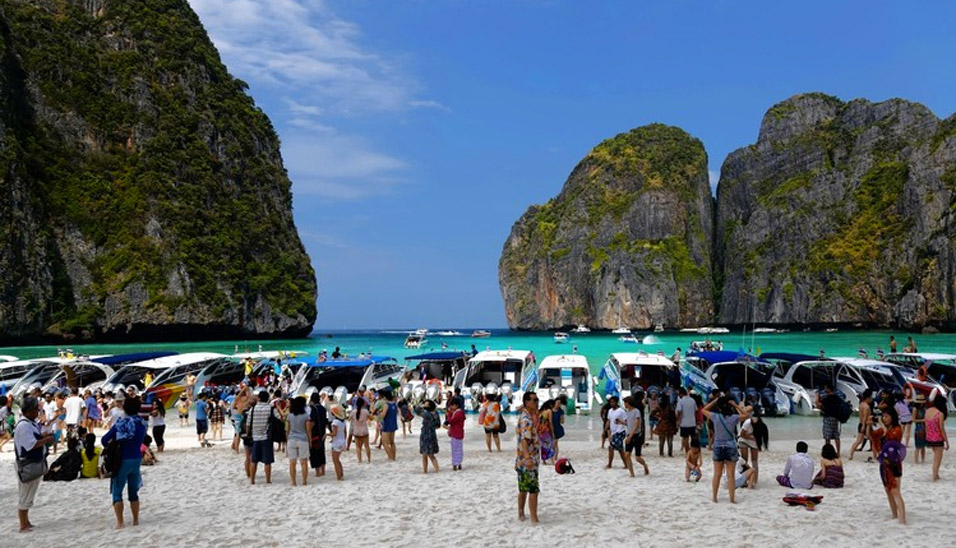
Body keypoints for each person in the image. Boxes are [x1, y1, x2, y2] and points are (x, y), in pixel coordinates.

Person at [101, 397, 147, 529]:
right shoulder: (142, 424)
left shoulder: (122, 423)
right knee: (133, 491)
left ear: (125, 408)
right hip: (137, 458)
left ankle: (120, 522)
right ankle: (136, 520)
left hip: (122, 459)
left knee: (117, 491)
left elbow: (105, 440)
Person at [14, 397, 54, 532]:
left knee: (29, 493)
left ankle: (26, 521)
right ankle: (23, 525)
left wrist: (43, 435)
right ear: (30, 411)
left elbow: (32, 438)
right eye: (36, 409)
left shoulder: (28, 423)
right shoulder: (24, 425)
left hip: (32, 462)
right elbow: (30, 445)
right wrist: (46, 440)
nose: (38, 412)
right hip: (27, 464)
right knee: (25, 494)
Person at [701, 395, 750, 503]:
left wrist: (715, 401)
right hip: (730, 446)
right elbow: (746, 415)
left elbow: (703, 409)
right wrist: (735, 405)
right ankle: (732, 499)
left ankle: (714, 497)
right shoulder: (733, 418)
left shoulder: (715, 416)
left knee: (717, 474)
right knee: (731, 475)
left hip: (718, 446)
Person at [515, 391, 540, 524]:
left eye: (537, 400)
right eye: (534, 400)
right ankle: (534, 518)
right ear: (527, 402)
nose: (537, 402)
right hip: (528, 460)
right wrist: (528, 458)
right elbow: (525, 440)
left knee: (523, 488)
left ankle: (521, 512)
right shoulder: (526, 420)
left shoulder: (526, 416)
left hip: (521, 460)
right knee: (533, 489)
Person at [247, 390, 277, 485]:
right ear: (267, 398)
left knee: (253, 460)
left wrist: (248, 434)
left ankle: (252, 480)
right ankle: (268, 479)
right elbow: (279, 417)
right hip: (266, 437)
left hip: (255, 437)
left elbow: (248, 424)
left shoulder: (253, 409)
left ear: (259, 398)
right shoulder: (270, 408)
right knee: (267, 461)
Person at [285, 396, 312, 486]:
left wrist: (287, 440)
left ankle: (293, 481)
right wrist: (310, 441)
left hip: (292, 439)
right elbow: (308, 430)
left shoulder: (290, 415)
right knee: (304, 462)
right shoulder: (305, 416)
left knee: (292, 462)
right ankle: (304, 481)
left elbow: (287, 430)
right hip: (303, 439)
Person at [879, 440, 907, 525]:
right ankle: (897, 516)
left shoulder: (887, 431)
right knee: (893, 492)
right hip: (895, 462)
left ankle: (901, 519)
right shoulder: (896, 431)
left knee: (894, 493)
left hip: (888, 464)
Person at [922, 394, 949, 481]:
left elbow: (926, 426)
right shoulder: (940, 414)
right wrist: (947, 441)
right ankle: (934, 476)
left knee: (936, 458)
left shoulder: (928, 411)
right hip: (938, 439)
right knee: (937, 459)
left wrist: (926, 436)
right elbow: (941, 428)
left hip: (929, 438)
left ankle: (936, 474)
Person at [738, 411, 767, 485]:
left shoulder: (761, 425)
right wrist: (751, 437)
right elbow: (741, 434)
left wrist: (757, 443)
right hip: (744, 440)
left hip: (754, 441)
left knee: (755, 461)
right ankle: (743, 478)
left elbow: (762, 438)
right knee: (744, 460)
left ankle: (754, 480)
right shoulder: (747, 422)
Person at [623, 395, 650, 476]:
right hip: (629, 435)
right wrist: (621, 422)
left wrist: (630, 436)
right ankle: (632, 473)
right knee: (627, 455)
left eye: (625, 403)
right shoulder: (627, 412)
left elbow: (636, 425)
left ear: (628, 403)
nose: (624, 404)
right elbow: (628, 424)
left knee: (637, 457)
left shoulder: (636, 411)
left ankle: (645, 465)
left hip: (636, 436)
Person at [415, 399, 441, 473]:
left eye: (426, 403)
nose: (424, 404)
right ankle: (437, 470)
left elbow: (417, 410)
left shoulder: (426, 414)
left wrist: (422, 406)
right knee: (431, 455)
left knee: (425, 455)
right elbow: (438, 425)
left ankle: (425, 471)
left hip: (425, 434)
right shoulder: (436, 413)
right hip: (432, 434)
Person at [818, 384, 842, 456]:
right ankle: (838, 452)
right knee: (836, 436)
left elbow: (819, 405)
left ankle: (828, 452)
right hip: (835, 418)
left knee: (827, 436)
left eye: (825, 388)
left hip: (828, 417)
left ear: (829, 389)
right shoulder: (837, 398)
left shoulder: (827, 398)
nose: (825, 390)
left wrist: (817, 397)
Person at [848, 389, 873, 460]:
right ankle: (875, 455)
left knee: (858, 441)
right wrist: (864, 426)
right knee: (873, 440)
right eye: (871, 397)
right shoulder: (866, 407)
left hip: (861, 424)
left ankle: (851, 454)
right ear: (868, 398)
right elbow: (865, 417)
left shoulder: (861, 404)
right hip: (865, 425)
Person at [308, 392, 328, 478]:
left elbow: (312, 421)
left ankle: (318, 471)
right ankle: (323, 470)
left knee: (314, 452)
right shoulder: (323, 408)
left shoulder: (313, 409)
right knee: (321, 450)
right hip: (322, 432)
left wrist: (308, 430)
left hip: (315, 433)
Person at [605, 396, 628, 470]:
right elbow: (608, 421)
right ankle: (624, 464)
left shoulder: (621, 411)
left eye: (613, 402)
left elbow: (627, 422)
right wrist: (607, 430)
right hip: (613, 433)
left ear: (616, 402)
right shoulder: (610, 411)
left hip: (620, 432)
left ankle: (610, 464)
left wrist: (620, 422)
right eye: (611, 402)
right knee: (618, 449)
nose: (612, 404)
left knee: (614, 448)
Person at [675, 388, 697, 455]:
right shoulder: (692, 400)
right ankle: (694, 451)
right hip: (692, 422)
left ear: (681, 394)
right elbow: (696, 410)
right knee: (693, 438)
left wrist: (678, 421)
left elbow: (679, 411)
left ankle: (687, 452)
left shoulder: (681, 401)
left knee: (685, 438)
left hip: (684, 423)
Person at [349, 397, 371, 463]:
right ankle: (369, 459)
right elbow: (371, 418)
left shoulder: (353, 412)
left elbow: (349, 419)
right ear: (363, 404)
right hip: (364, 430)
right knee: (366, 446)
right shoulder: (366, 411)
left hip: (356, 431)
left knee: (358, 447)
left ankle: (359, 460)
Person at [446, 398, 465, 470]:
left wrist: (448, 414)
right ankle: (459, 463)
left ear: (456, 405)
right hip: (459, 432)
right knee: (459, 449)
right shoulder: (460, 412)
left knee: (455, 449)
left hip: (455, 433)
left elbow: (451, 421)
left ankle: (455, 464)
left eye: (452, 405)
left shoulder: (458, 413)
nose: (451, 407)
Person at [328, 404, 347, 481]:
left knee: (335, 461)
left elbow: (334, 433)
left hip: (336, 443)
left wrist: (327, 434)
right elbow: (345, 433)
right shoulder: (343, 422)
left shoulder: (335, 422)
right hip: (342, 441)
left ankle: (339, 476)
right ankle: (341, 474)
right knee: (337, 460)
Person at [381, 390, 399, 461]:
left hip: (387, 424)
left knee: (384, 442)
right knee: (392, 442)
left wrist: (379, 415)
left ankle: (390, 457)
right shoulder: (394, 404)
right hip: (393, 424)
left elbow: (383, 415)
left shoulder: (386, 405)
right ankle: (394, 457)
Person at [538, 400, 556, 464]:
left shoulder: (541, 411)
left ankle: (544, 461)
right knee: (551, 445)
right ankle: (552, 461)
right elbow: (550, 422)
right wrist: (553, 432)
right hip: (546, 430)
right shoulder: (549, 411)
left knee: (543, 446)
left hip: (540, 430)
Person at [552, 394, 566, 459]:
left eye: (560, 403)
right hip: (550, 428)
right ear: (555, 403)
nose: (558, 404)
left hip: (557, 429)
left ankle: (555, 457)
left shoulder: (561, 412)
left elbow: (562, 422)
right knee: (550, 444)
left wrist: (562, 418)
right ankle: (551, 457)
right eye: (557, 403)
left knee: (555, 444)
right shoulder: (550, 410)